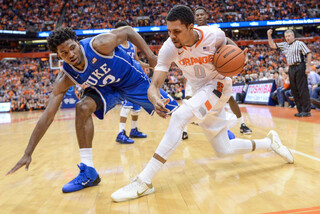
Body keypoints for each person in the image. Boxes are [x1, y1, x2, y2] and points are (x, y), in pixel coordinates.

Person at [111, 5, 294, 202]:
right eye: (169, 31)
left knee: (180, 117)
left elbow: (228, 43)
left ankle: (144, 181)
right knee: (223, 149)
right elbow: (154, 85)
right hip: (201, 92)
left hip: (218, 85)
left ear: (190, 27)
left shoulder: (213, 35)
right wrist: (155, 99)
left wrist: (239, 56)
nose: (172, 36)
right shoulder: (168, 48)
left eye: (177, 31)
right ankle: (269, 143)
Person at [7, 26, 179, 193]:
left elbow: (127, 31)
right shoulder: (65, 76)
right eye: (64, 53)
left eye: (72, 48)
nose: (71, 54)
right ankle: (88, 171)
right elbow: (48, 116)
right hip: (107, 89)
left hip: (132, 80)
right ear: (58, 56)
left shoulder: (98, 44)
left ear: (77, 42)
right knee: (82, 107)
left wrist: (149, 55)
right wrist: (28, 152)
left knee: (178, 113)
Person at [195, 6, 252, 134]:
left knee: (229, 97)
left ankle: (241, 123)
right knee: (201, 99)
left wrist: (240, 53)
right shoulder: (193, 32)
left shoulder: (213, 31)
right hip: (200, 72)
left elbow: (227, 41)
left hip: (218, 68)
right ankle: (210, 123)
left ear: (206, 16)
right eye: (197, 15)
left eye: (201, 14)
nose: (199, 17)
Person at [114, 21, 149, 144]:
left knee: (136, 107)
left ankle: (133, 130)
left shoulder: (132, 46)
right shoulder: (115, 47)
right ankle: (120, 133)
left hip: (135, 80)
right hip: (123, 81)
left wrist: (150, 66)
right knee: (126, 106)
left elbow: (137, 62)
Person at [267, 29, 312, 117]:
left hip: (300, 66)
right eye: (286, 36)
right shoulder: (284, 45)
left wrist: (308, 66)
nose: (287, 38)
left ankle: (306, 111)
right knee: (294, 90)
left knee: (302, 89)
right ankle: (300, 110)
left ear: (293, 36)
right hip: (291, 68)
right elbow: (272, 45)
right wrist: (269, 35)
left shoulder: (299, 43)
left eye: (289, 36)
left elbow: (309, 53)